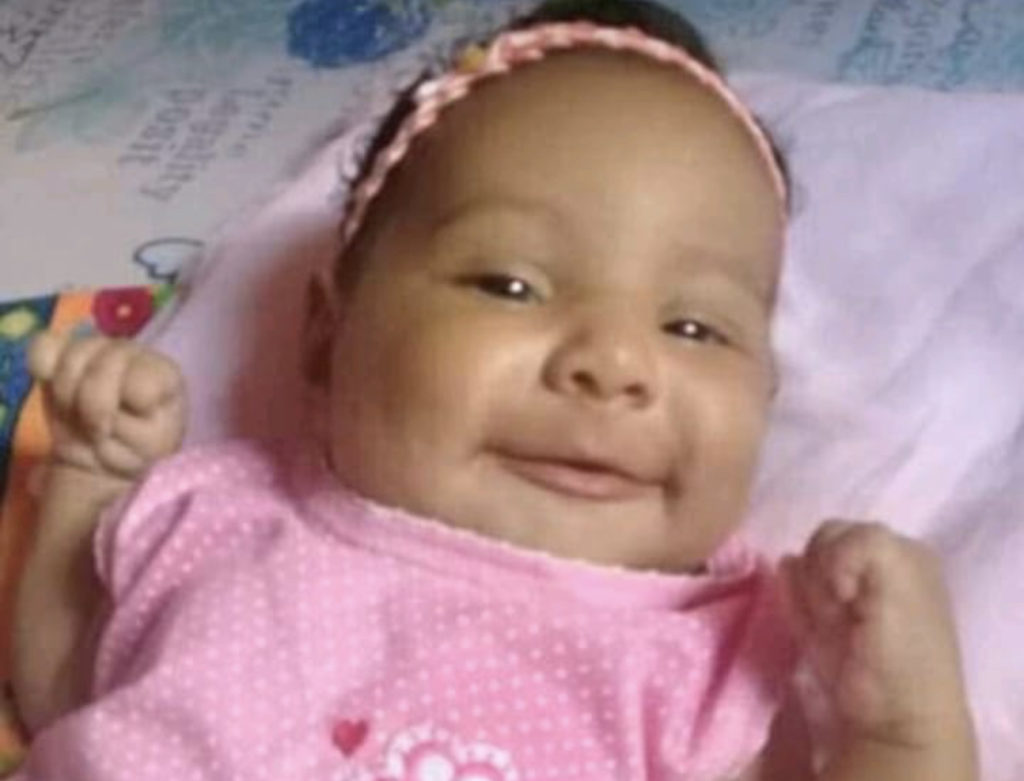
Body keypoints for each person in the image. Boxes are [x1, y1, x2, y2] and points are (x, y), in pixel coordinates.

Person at [11, 1, 977, 778]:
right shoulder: (230, 514)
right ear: (325, 336)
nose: (612, 361)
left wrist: (903, 733)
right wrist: (89, 478)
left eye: (694, 327)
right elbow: (65, 689)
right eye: (509, 285)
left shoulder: (704, 658)